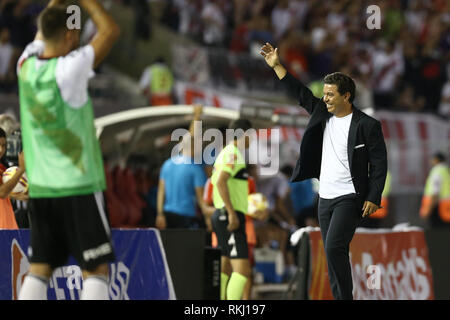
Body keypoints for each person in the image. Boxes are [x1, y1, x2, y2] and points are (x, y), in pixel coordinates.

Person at [261, 42, 387, 300]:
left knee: (334, 246)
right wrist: (277, 66)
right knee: (331, 253)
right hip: (325, 198)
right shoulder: (321, 111)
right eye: (325, 94)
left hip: (351, 197)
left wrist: (374, 196)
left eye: (330, 94)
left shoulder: (367, 125)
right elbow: (300, 92)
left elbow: (379, 163)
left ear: (346, 96)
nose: (325, 98)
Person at [17, 0, 120, 300]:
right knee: (96, 269)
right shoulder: (71, 69)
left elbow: (43, 34)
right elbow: (110, 31)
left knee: (40, 268)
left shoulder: (24, 65)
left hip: (43, 188)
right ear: (70, 37)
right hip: (78, 185)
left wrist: (56, 5)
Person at [210, 118, 253, 300]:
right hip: (229, 215)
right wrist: (232, 213)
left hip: (222, 214)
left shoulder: (226, 152)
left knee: (225, 267)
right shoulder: (233, 154)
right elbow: (220, 182)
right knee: (242, 270)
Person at [156, 105, 214, 229]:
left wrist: (160, 214)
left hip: (167, 214)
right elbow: (201, 198)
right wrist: (208, 219)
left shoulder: (167, 164)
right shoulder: (195, 169)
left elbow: (161, 191)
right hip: (186, 216)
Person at [0, 128, 26, 229]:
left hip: (8, 227)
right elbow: (1, 193)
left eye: (3, 145)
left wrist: (14, 195)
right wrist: (21, 170)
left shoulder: (3, 168)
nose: (1, 150)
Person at [420, 153, 450, 228]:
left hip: (437, 207)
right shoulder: (446, 170)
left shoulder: (437, 171)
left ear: (436, 160)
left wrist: (428, 209)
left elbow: (435, 192)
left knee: (437, 232)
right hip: (445, 206)